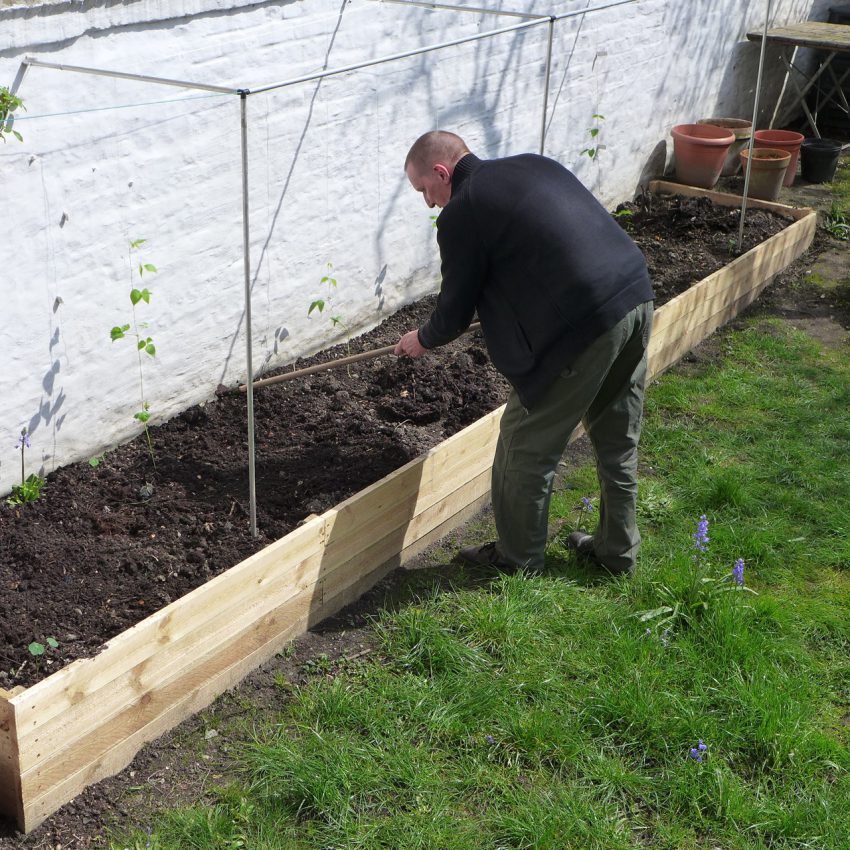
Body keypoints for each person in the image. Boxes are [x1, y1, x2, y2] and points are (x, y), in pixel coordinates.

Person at [394, 130, 654, 575]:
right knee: (617, 438)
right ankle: (617, 552)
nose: (429, 203)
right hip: (634, 296)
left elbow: (454, 310)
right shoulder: (533, 164)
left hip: (583, 325)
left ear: (441, 172)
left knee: (523, 447)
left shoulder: (463, 212)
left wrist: (422, 338)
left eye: (424, 190)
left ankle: (517, 561)